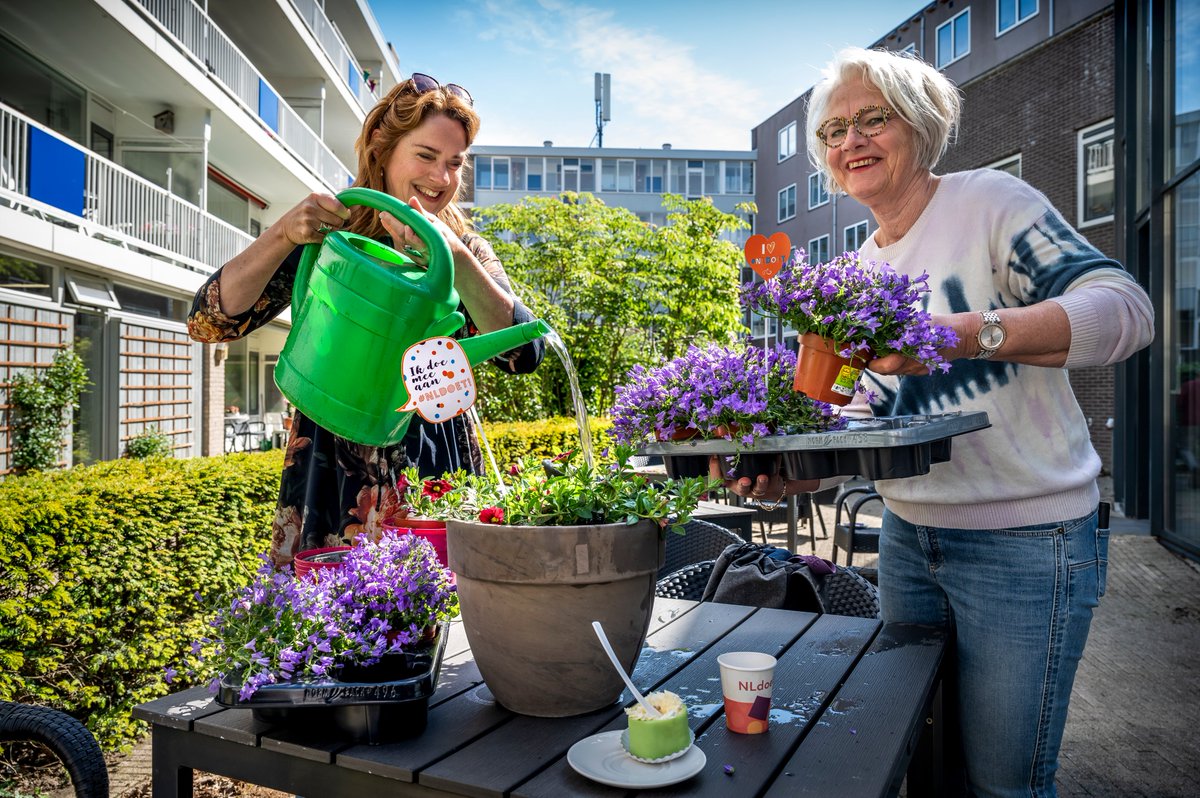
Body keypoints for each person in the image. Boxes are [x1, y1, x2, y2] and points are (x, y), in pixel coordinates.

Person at [751, 47, 1150, 796]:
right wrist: (787, 476)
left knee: (1003, 783)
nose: (850, 141)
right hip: (907, 541)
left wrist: (960, 335)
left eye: (873, 119)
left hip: (1027, 541)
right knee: (927, 768)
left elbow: (1126, 312)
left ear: (921, 125)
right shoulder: (861, 270)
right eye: (833, 131)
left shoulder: (990, 203)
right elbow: (864, 422)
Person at [188, 74, 544, 567]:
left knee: (443, 604)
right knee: (333, 609)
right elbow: (210, 323)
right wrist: (284, 233)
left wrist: (456, 259)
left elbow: (523, 353)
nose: (442, 178)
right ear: (382, 146)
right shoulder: (330, 237)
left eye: (454, 163)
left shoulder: (465, 250)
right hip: (332, 468)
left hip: (435, 466)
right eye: (426, 156)